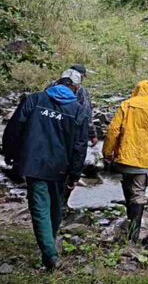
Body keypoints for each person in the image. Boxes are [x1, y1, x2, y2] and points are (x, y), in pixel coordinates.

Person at [2, 70, 89, 271]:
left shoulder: (34, 99)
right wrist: (75, 174)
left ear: (57, 82)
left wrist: (10, 153)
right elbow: (79, 146)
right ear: (76, 88)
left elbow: (14, 128)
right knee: (55, 207)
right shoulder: (77, 110)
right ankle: (50, 252)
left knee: (40, 208)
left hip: (32, 164)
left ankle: (49, 251)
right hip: (60, 167)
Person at [102, 80, 148, 243]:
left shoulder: (126, 105)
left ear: (137, 90)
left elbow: (113, 130)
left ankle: (129, 217)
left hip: (124, 156)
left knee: (127, 185)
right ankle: (134, 234)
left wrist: (107, 152)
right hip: (142, 160)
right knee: (139, 193)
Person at [46, 65, 95, 207]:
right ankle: (61, 205)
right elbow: (86, 115)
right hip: (68, 137)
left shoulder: (50, 87)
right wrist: (91, 134)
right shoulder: (81, 91)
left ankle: (48, 204)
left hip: (48, 136)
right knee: (65, 176)